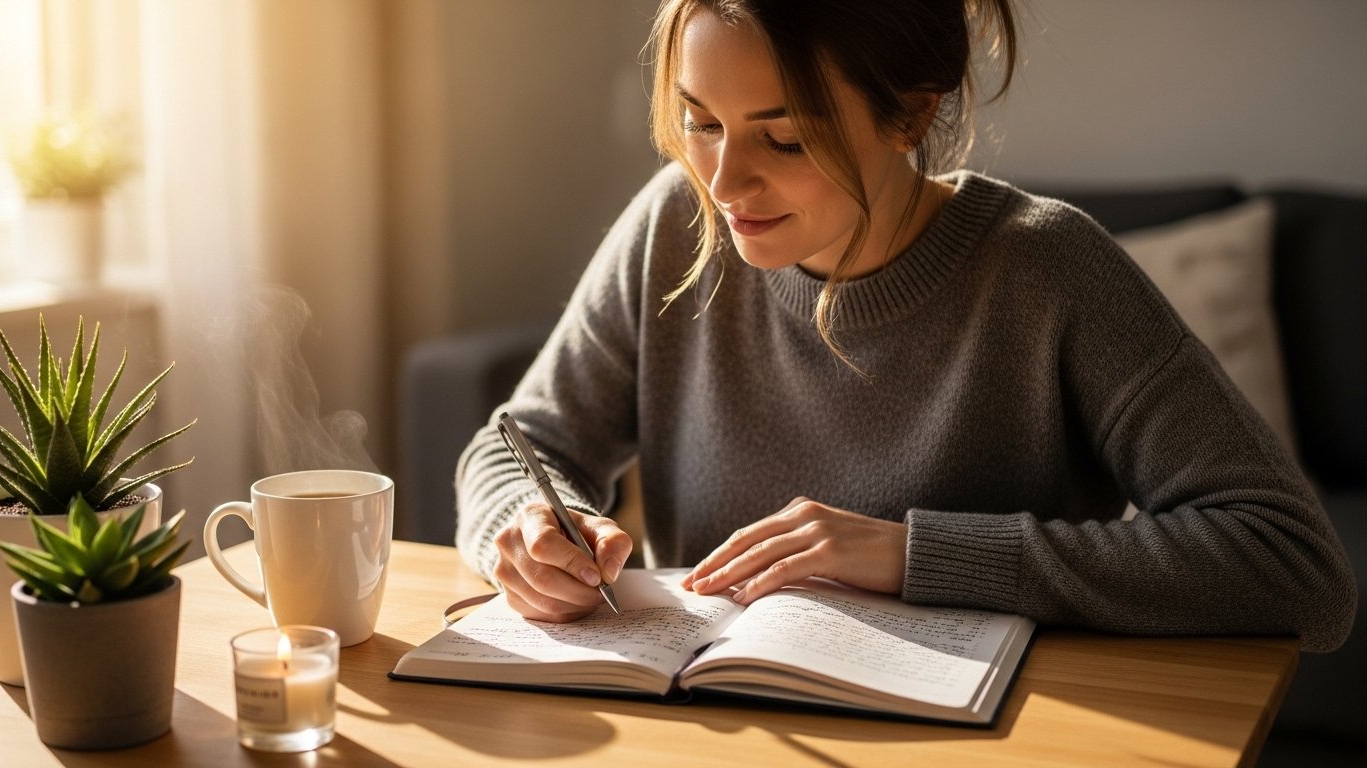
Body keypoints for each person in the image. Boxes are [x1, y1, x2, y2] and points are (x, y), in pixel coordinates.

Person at [453, 0, 1355, 652]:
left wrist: (920, 555)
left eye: (786, 139)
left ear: (911, 112)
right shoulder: (674, 225)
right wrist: (534, 525)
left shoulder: (1048, 269)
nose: (724, 184)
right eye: (700, 122)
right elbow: (518, 443)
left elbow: (1295, 568)